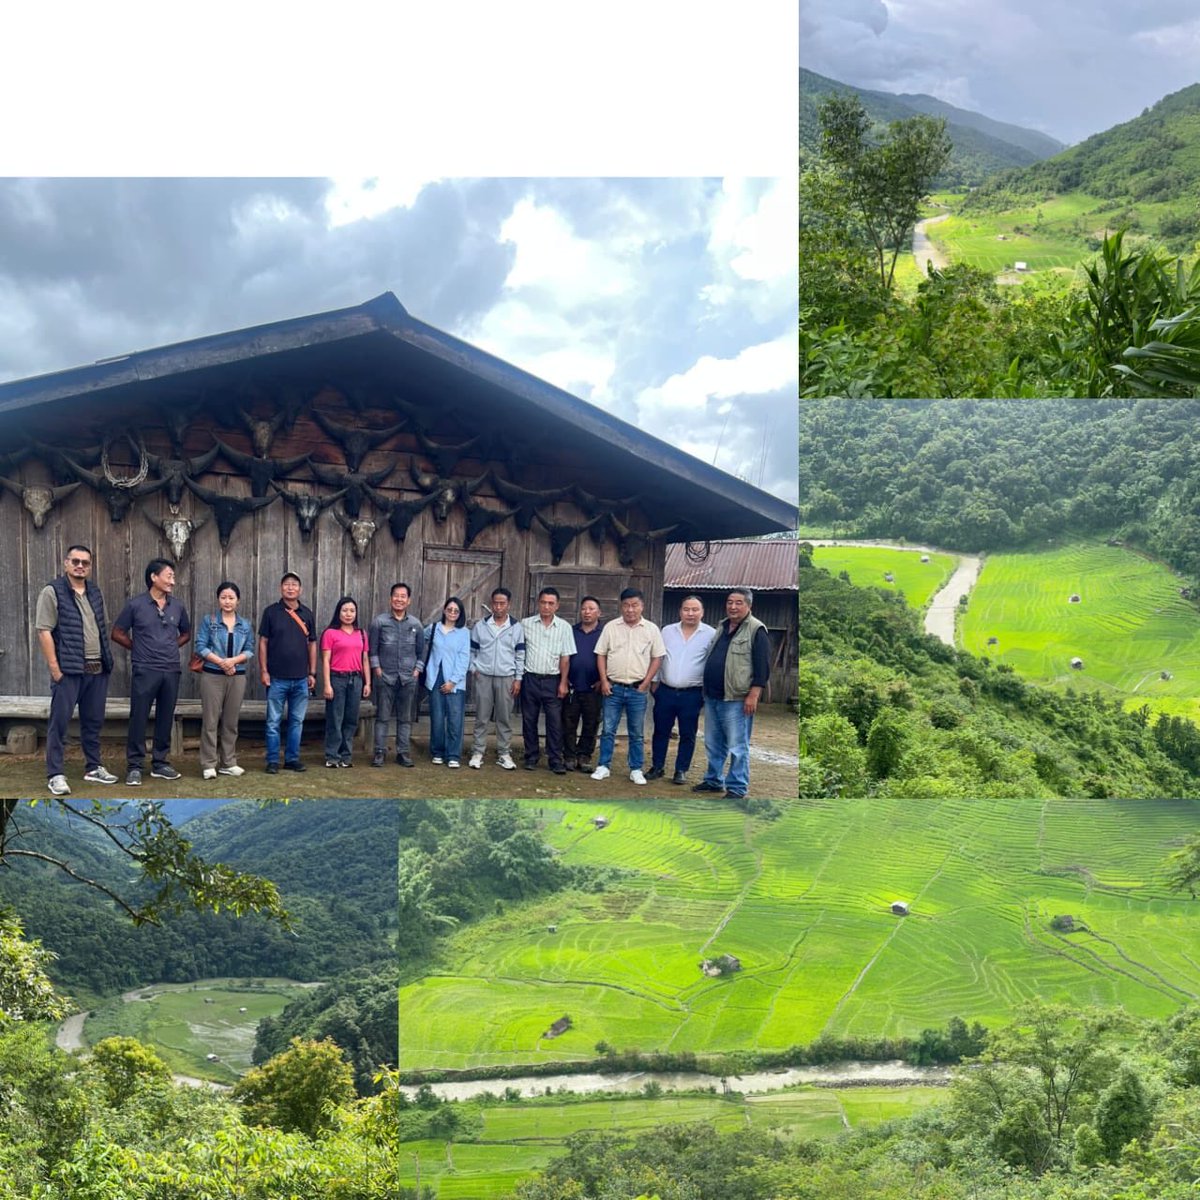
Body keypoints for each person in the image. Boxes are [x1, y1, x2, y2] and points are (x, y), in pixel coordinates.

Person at [35, 544, 118, 795]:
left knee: (93, 723)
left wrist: (106, 662)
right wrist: (55, 669)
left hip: (97, 669)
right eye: (76, 561)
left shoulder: (94, 591)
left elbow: (101, 627)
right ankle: (56, 774)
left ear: (90, 567)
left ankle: (93, 767)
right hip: (69, 671)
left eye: (85, 562)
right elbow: (44, 630)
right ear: (66, 564)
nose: (80, 565)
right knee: (59, 724)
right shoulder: (52, 592)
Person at [111, 558, 191, 787]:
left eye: (173, 577)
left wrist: (171, 646)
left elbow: (186, 632)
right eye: (169, 576)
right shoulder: (136, 605)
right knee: (139, 717)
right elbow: (117, 632)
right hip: (145, 669)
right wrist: (136, 647)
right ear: (153, 577)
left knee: (166, 717)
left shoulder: (177, 606)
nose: (172, 581)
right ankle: (135, 766)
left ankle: (160, 763)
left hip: (171, 669)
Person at [694, 588, 771, 800]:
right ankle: (713, 780)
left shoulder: (756, 630)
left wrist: (753, 695)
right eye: (730, 602)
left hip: (737, 699)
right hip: (713, 696)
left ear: (749, 606)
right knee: (713, 742)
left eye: (738, 603)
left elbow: (763, 667)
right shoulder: (722, 626)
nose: (733, 607)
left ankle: (737, 788)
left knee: (738, 746)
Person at [590, 588, 665, 786]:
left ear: (642, 606)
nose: (630, 610)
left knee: (636, 732)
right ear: (620, 606)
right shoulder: (611, 627)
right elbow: (601, 654)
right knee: (608, 729)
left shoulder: (651, 629)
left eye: (635, 605)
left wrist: (647, 682)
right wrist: (604, 680)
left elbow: (657, 657)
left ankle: (636, 768)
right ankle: (604, 766)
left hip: (637, 689)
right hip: (613, 688)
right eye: (626, 605)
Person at [648, 595, 716, 785]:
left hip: (692, 693)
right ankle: (657, 766)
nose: (690, 613)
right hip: (666, 691)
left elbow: (712, 663)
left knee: (688, 733)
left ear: (702, 612)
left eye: (695, 610)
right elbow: (658, 657)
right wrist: (654, 681)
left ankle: (681, 770)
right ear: (680, 611)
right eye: (687, 609)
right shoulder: (667, 631)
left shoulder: (710, 634)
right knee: (661, 731)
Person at [193, 581, 255, 780]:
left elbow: (250, 649)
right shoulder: (209, 621)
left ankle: (228, 762)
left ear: (238, 600)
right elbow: (200, 646)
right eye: (223, 597)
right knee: (210, 720)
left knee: (231, 721)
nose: (227, 601)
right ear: (218, 599)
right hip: (212, 675)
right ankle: (209, 763)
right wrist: (221, 662)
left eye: (231, 598)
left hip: (237, 677)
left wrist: (233, 661)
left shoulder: (244, 624)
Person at [258, 572, 317, 774]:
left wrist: (313, 673)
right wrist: (264, 671)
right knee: (273, 722)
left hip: (301, 678)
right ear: (281, 588)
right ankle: (272, 761)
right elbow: (263, 642)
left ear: (300, 589)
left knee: (296, 721)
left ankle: (292, 759)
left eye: (294, 585)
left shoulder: (307, 614)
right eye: (286, 584)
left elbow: (312, 644)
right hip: (276, 678)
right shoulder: (271, 612)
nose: (290, 588)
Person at [519, 586, 575, 774]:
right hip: (530, 678)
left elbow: (565, 658)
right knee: (529, 719)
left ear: (557, 606)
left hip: (553, 680)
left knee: (554, 722)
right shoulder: (525, 624)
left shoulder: (564, 627)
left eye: (551, 603)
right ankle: (531, 756)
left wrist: (563, 682)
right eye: (543, 602)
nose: (546, 606)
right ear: (538, 603)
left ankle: (554, 759)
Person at [468, 586, 525, 770]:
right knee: (481, 717)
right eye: (495, 603)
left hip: (506, 678)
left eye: (502, 603)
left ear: (508, 605)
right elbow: (472, 651)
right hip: (483, 676)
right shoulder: (481, 626)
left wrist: (518, 678)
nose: (498, 607)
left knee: (504, 717)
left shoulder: (516, 627)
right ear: (491, 604)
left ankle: (504, 753)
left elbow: (520, 655)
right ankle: (478, 752)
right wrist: (473, 668)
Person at [367, 582, 424, 768]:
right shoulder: (379, 622)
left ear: (408, 601)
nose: (399, 599)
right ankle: (379, 752)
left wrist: (417, 671)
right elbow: (372, 650)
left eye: (403, 596)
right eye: (396, 596)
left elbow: (421, 652)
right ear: (391, 598)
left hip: (408, 678)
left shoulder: (416, 624)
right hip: (386, 677)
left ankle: (403, 752)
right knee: (382, 717)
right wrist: (377, 670)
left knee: (405, 718)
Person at [419, 596, 470, 768]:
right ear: (444, 611)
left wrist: (453, 681)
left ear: (460, 613)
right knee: (437, 718)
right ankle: (437, 752)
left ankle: (453, 755)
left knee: (455, 719)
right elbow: (420, 640)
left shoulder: (464, 633)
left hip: (455, 681)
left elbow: (464, 659)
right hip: (434, 677)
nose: (452, 613)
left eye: (456, 611)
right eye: (450, 609)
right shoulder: (433, 629)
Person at [320, 596, 370, 768]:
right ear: (338, 612)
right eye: (345, 610)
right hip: (337, 679)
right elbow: (325, 660)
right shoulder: (330, 633)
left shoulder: (361, 634)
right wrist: (327, 684)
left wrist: (367, 683)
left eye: (352, 611)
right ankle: (332, 756)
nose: (349, 614)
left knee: (351, 719)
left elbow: (365, 659)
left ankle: (346, 756)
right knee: (335, 718)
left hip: (356, 679)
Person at [563, 596, 603, 772]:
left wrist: (604, 679)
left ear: (598, 612)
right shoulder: (571, 631)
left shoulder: (604, 633)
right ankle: (569, 756)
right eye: (584, 609)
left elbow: (610, 656)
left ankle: (584, 756)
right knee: (568, 723)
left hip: (594, 687)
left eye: (591, 609)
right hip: (572, 686)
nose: (587, 612)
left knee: (591, 723)